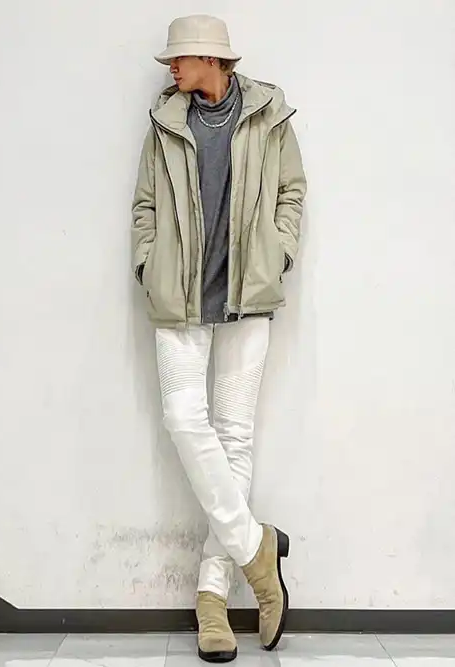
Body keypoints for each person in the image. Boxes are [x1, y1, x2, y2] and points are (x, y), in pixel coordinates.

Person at [131, 14, 306, 663]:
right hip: (180, 297)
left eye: (180, 58)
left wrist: (278, 254)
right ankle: (259, 553)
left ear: (212, 59)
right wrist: (147, 263)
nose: (172, 68)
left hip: (247, 294)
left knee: (234, 437)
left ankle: (212, 598)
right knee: (184, 419)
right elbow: (145, 205)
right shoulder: (165, 123)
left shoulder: (267, 115)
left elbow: (291, 192)